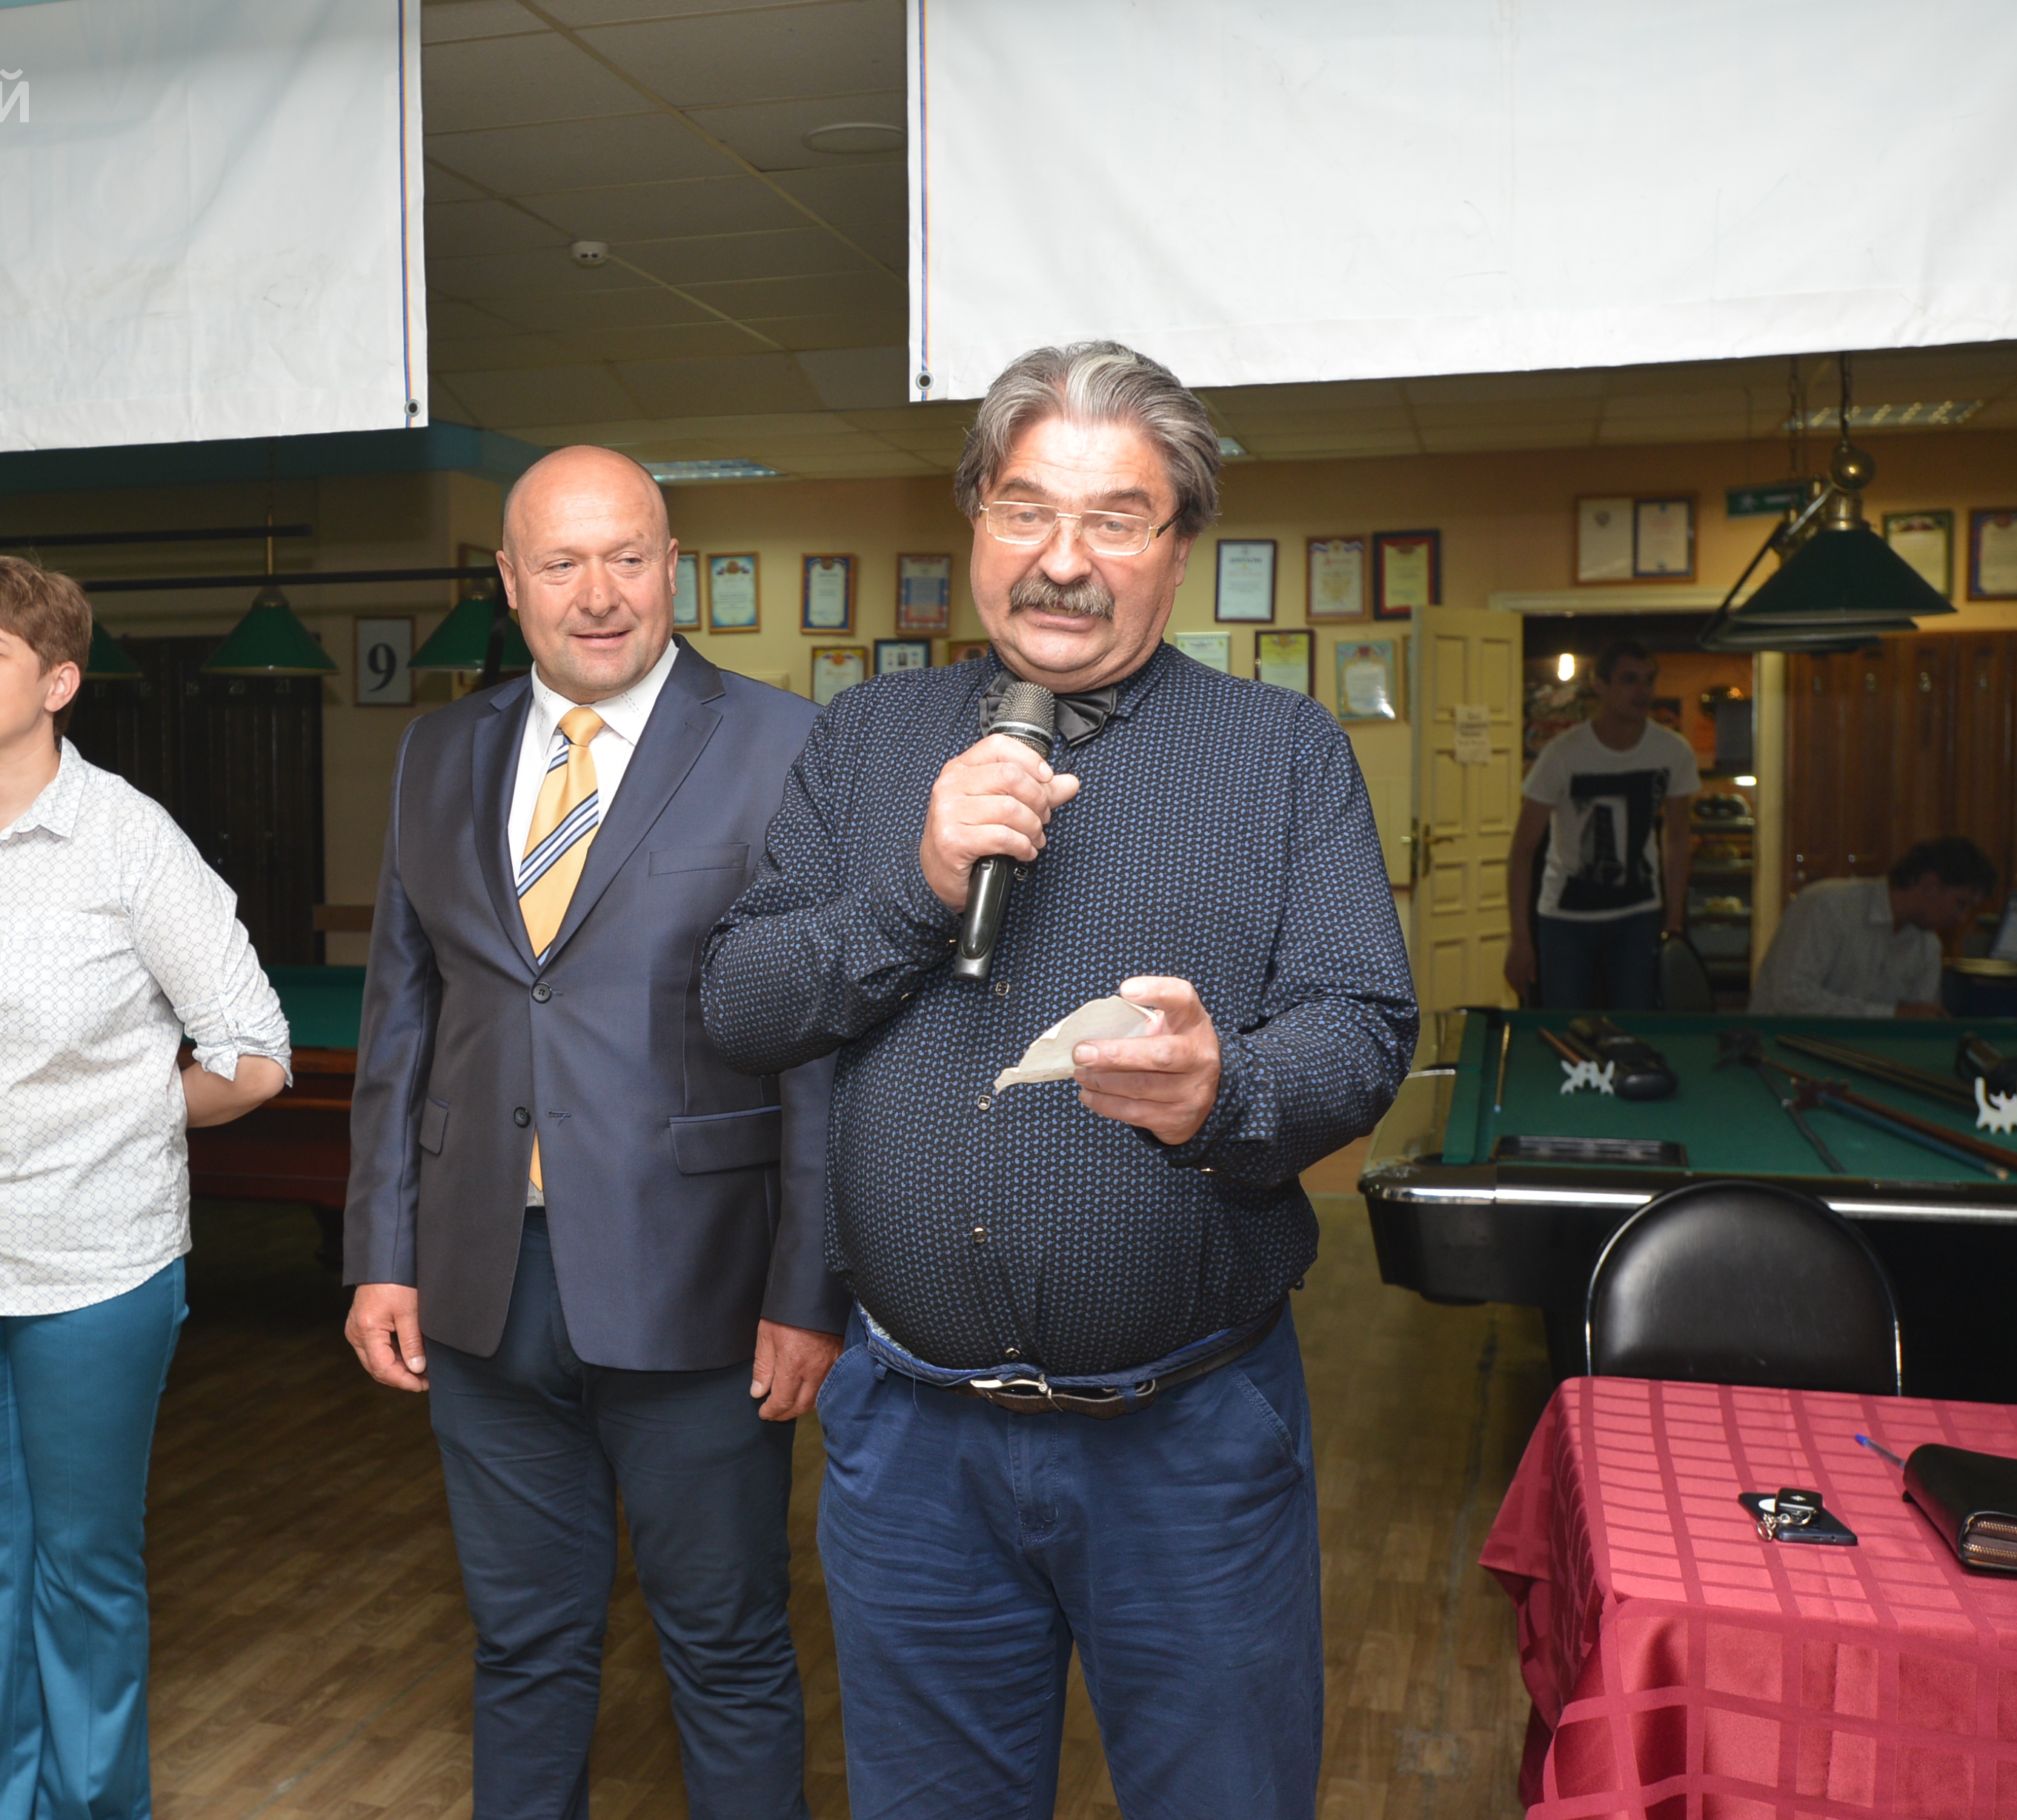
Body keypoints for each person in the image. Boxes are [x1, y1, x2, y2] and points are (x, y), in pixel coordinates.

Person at [701, 341, 1418, 1820]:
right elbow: (743, 1002)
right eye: (1025, 509)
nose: (1063, 560)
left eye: (1115, 518)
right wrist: (914, 885)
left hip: (1189, 1445)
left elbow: (1360, 1027)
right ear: (975, 519)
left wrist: (1226, 1092)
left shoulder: (1282, 753)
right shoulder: (869, 740)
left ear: (1181, 548)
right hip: (911, 1447)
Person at [341, 445, 845, 1820]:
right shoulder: (439, 751)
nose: (599, 593)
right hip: (479, 1286)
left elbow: (818, 1047)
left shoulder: (786, 745)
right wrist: (381, 1253)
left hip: (702, 1285)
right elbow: (403, 1017)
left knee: (726, 1647)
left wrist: (809, 1289)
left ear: (674, 568)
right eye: (561, 563)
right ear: (509, 582)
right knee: (521, 1645)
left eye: (628, 557)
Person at [0, 557, 290, 1820]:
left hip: (97, 1275)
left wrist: (121, 1107)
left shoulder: (129, 838)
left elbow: (253, 1053)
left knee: (82, 1573)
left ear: (60, 683)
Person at [1503, 640, 1698, 1010]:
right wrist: (1520, 939)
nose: (1642, 691)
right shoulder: (1563, 754)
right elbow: (1523, 851)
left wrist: (1675, 915)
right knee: (1564, 1023)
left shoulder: (1672, 751)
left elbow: (1677, 836)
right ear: (1601, 686)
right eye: (1629, 680)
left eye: (1649, 680)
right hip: (1566, 914)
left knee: (1636, 1021)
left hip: (1638, 912)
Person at [1750, 836, 1998, 1017]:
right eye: (1961, 904)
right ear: (1931, 885)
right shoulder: (1828, 906)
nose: (1962, 918)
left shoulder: (1927, 945)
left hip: (1860, 1057)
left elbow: (1919, 1020)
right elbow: (1790, 997)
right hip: (1781, 1051)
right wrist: (1892, 1015)